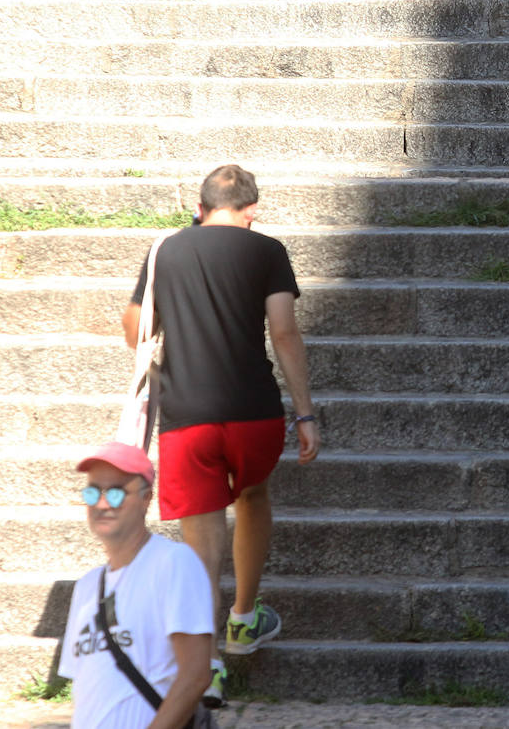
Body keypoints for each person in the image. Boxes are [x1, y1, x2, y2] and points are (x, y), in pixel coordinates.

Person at [121, 164, 321, 708]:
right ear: (252, 210)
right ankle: (244, 618)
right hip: (253, 412)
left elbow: (135, 321)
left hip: (187, 415)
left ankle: (206, 669)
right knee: (253, 497)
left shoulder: (167, 249)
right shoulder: (267, 251)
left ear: (200, 206)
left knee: (200, 544)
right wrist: (305, 413)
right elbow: (283, 329)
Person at [59, 442, 213, 728]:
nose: (102, 504)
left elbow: (196, 676)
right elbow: (89, 693)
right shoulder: (87, 586)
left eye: (116, 493)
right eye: (93, 492)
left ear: (146, 499)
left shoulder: (174, 562)